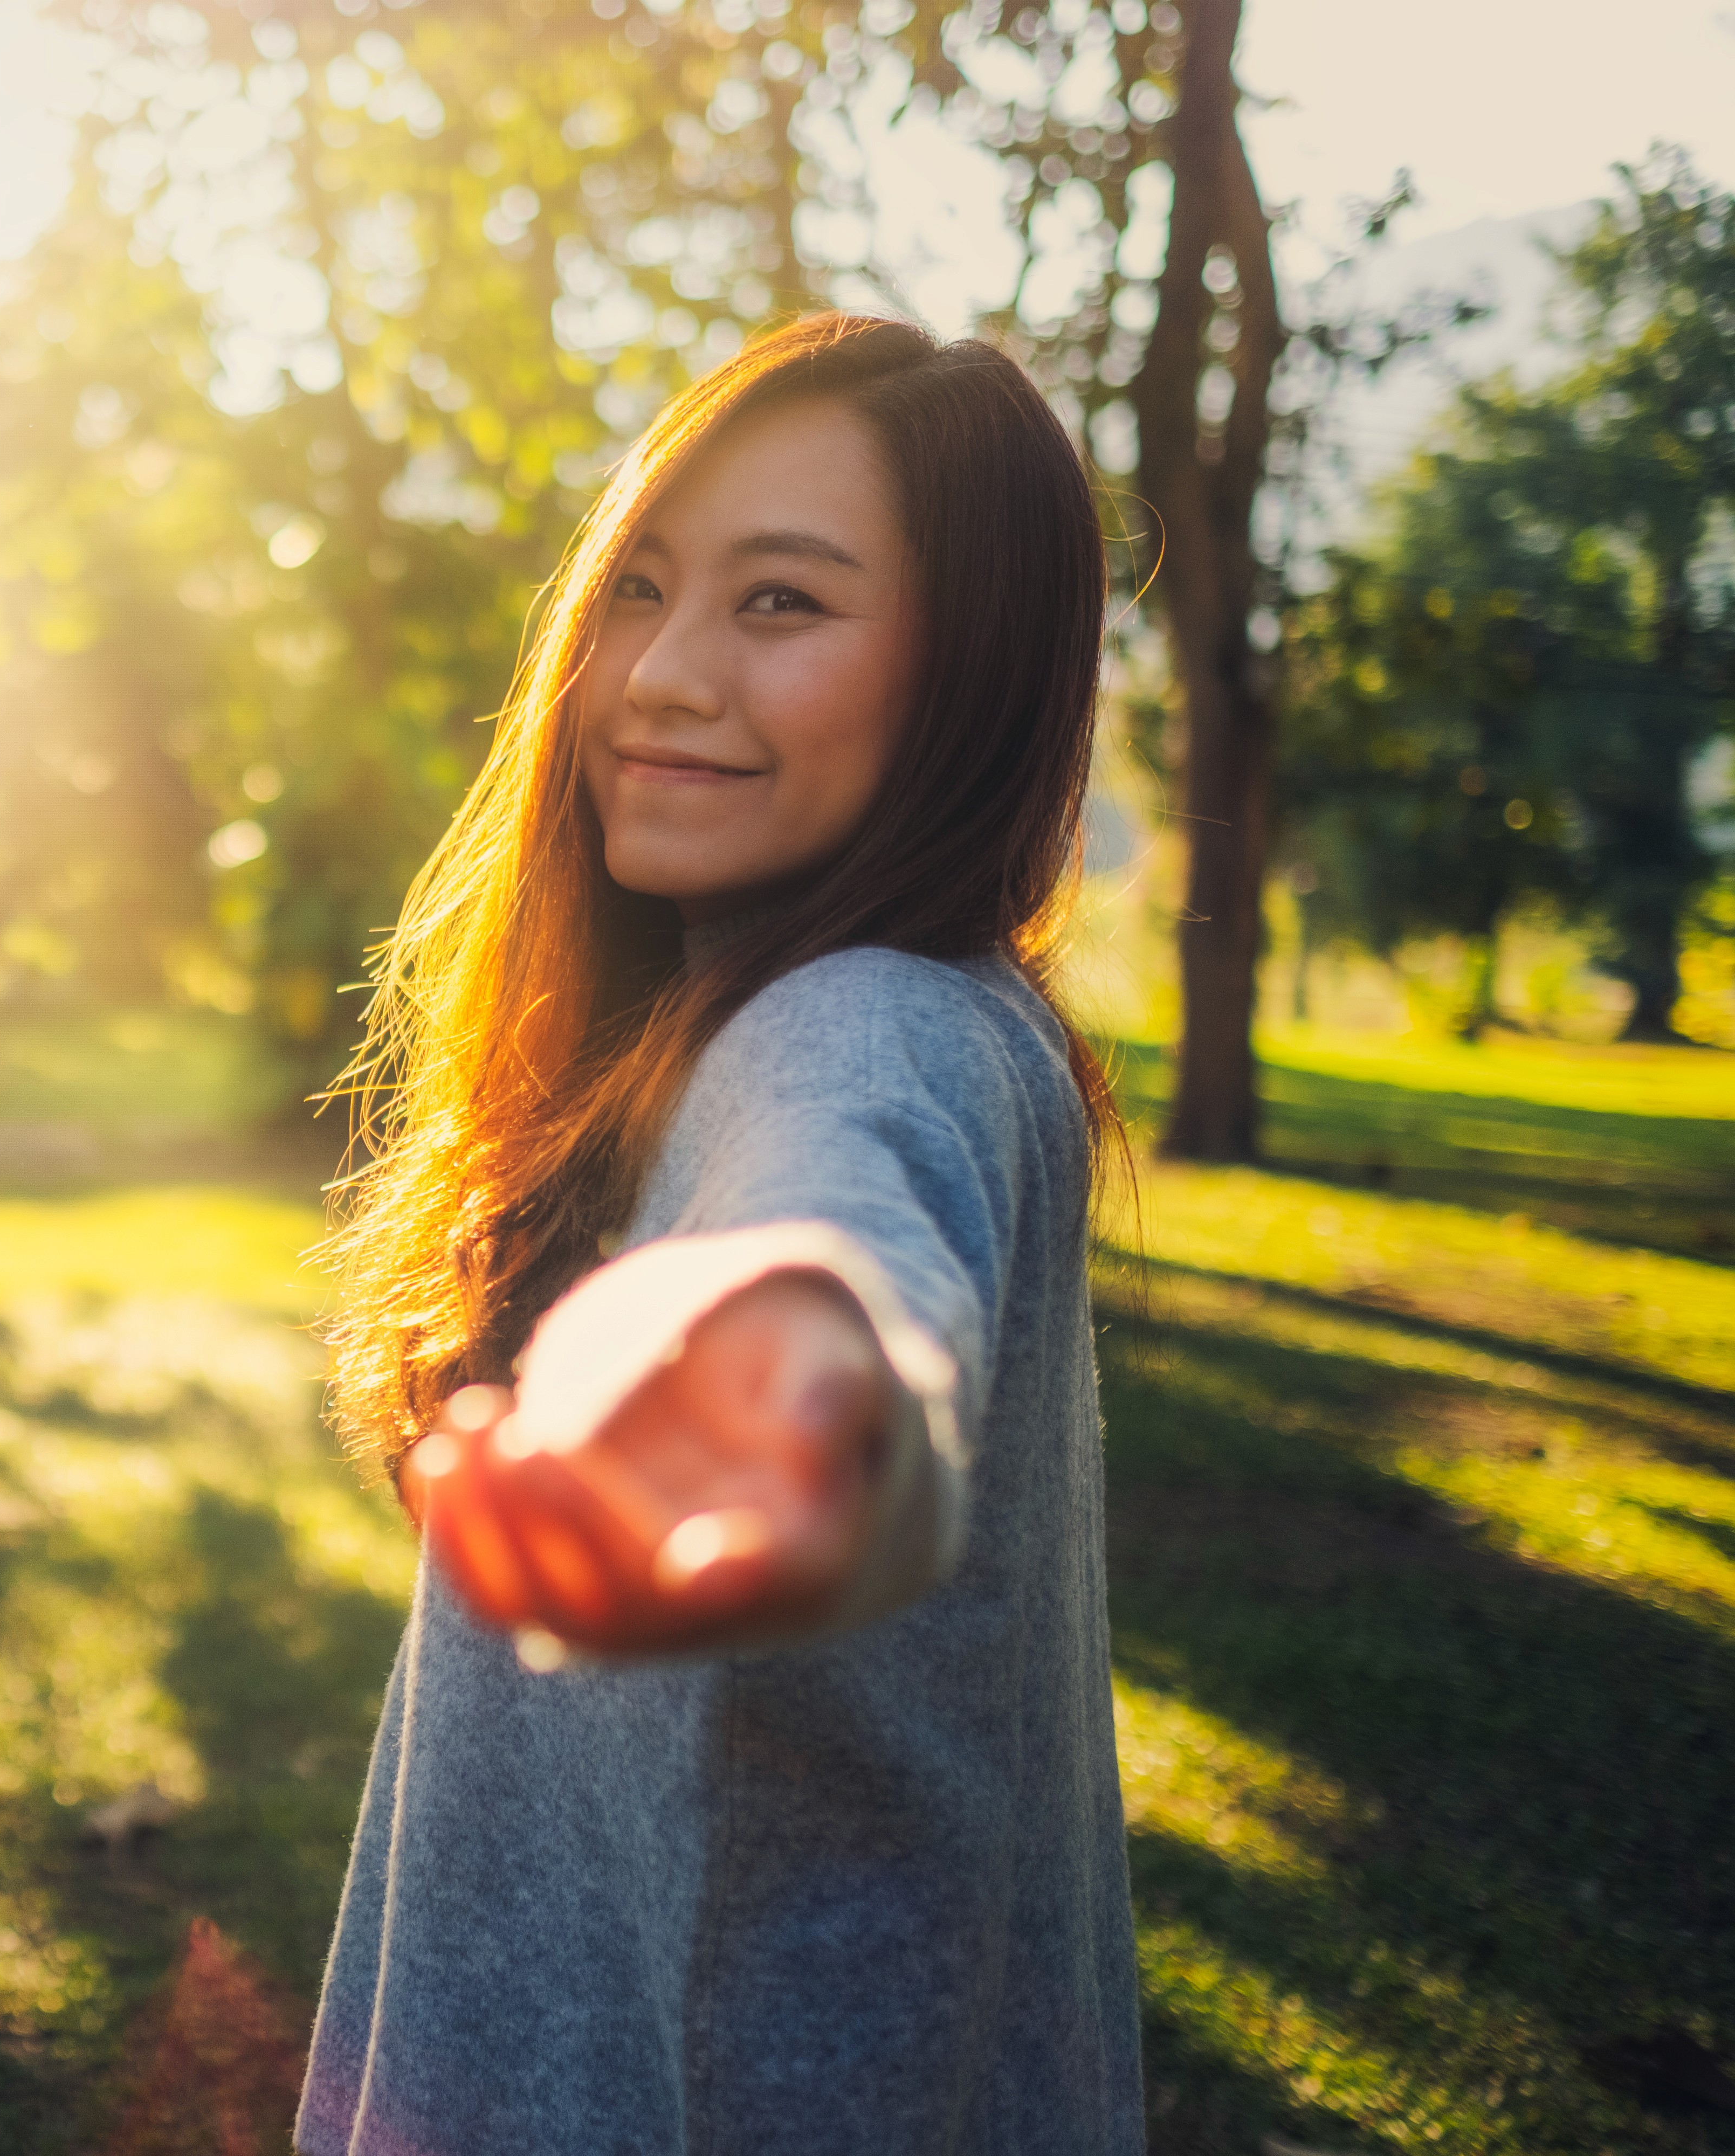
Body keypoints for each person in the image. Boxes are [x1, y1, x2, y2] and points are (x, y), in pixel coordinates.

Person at [298, 313, 1145, 2154]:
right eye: (643, 590)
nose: (659, 679)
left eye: (783, 606)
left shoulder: (873, 1026)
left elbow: (841, 1235)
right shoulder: (797, 1012)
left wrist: (795, 1390)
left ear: (972, 677)